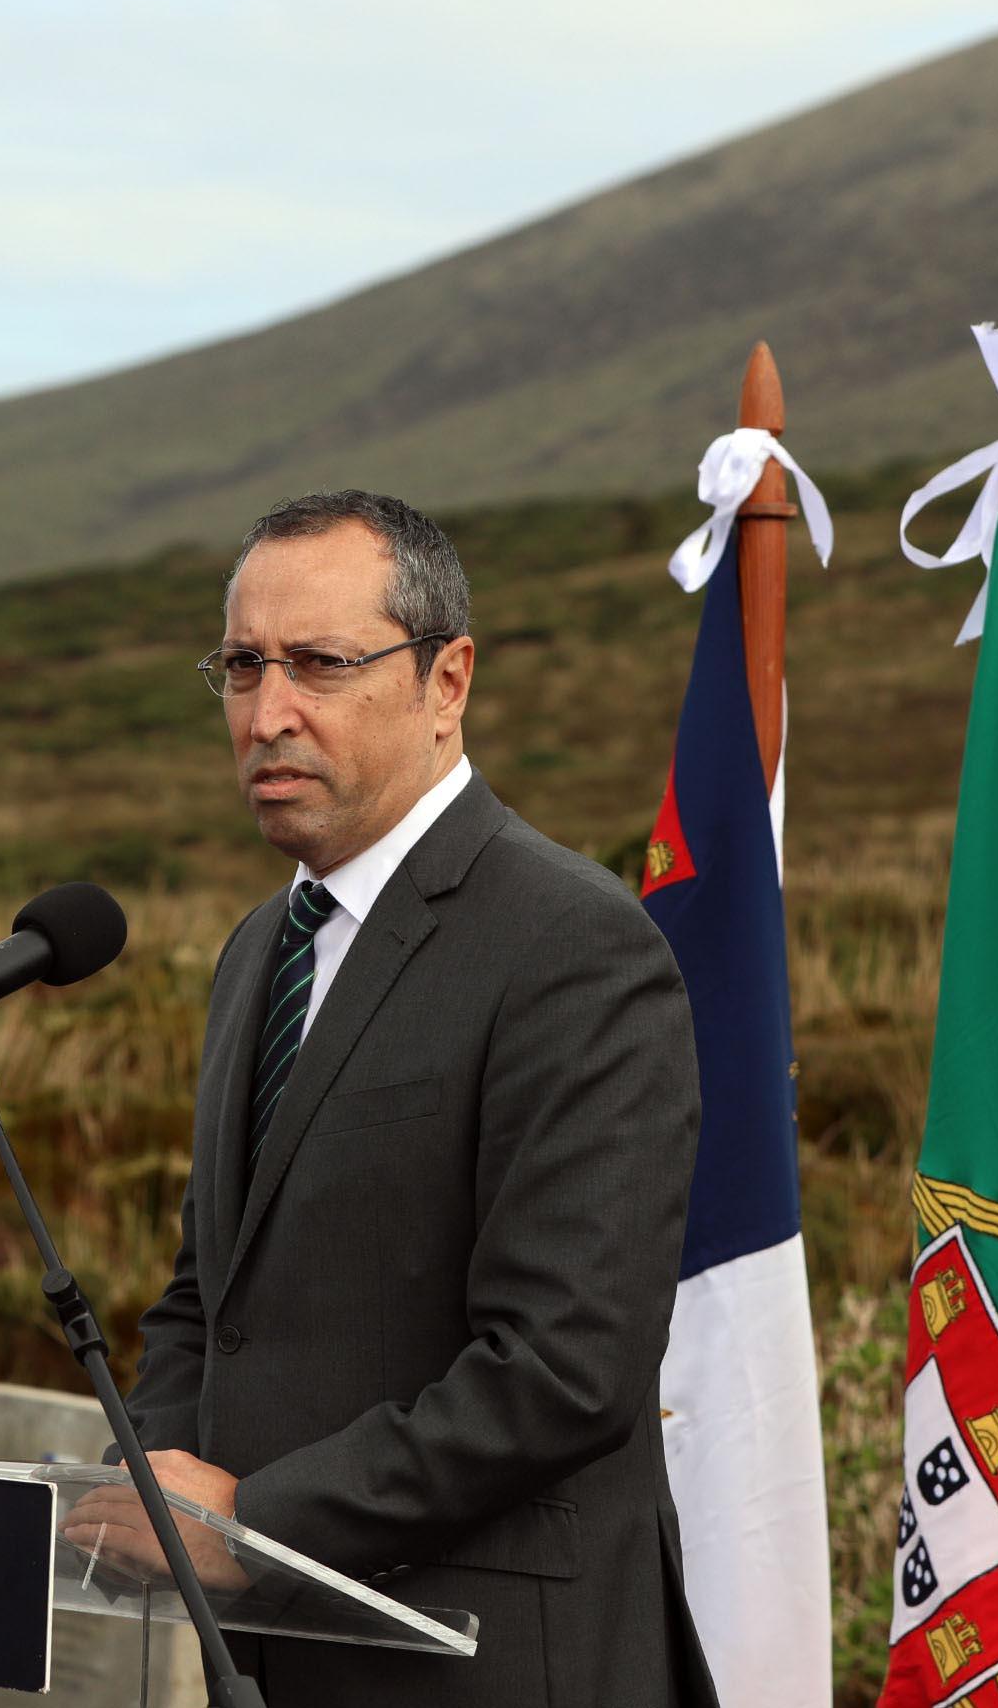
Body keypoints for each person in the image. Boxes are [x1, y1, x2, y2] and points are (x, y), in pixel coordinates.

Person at [64, 492, 720, 1705]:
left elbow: (563, 1362)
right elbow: (212, 1292)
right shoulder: (259, 947)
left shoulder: (571, 944)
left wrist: (256, 1520)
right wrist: (148, 1467)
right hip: (272, 1659)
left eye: (319, 663)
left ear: (446, 679)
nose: (268, 713)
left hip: (484, 1661)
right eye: (241, 666)